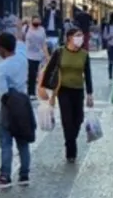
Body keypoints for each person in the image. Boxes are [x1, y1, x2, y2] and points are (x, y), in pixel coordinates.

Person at [39, 28, 95, 163]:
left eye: (81, 35)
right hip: (63, 89)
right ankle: (71, 150)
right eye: (77, 35)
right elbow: (49, 70)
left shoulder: (84, 54)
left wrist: (90, 93)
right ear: (69, 37)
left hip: (78, 89)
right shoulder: (60, 52)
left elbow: (87, 74)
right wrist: (44, 88)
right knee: (67, 120)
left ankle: (70, 140)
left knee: (79, 118)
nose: (80, 38)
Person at [0, 32, 31, 188]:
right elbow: (20, 43)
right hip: (24, 104)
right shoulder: (22, 58)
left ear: (2, 48)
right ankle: (24, 174)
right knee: (23, 141)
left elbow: (3, 91)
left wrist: (1, 112)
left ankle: (5, 176)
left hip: (8, 107)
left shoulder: (3, 67)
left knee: (6, 143)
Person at [24, 15, 49, 99]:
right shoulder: (26, 28)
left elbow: (44, 44)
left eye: (38, 21)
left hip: (39, 55)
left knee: (37, 74)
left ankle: (33, 92)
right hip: (28, 54)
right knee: (31, 74)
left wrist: (47, 56)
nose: (36, 23)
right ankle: (30, 92)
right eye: (35, 21)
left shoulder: (42, 30)